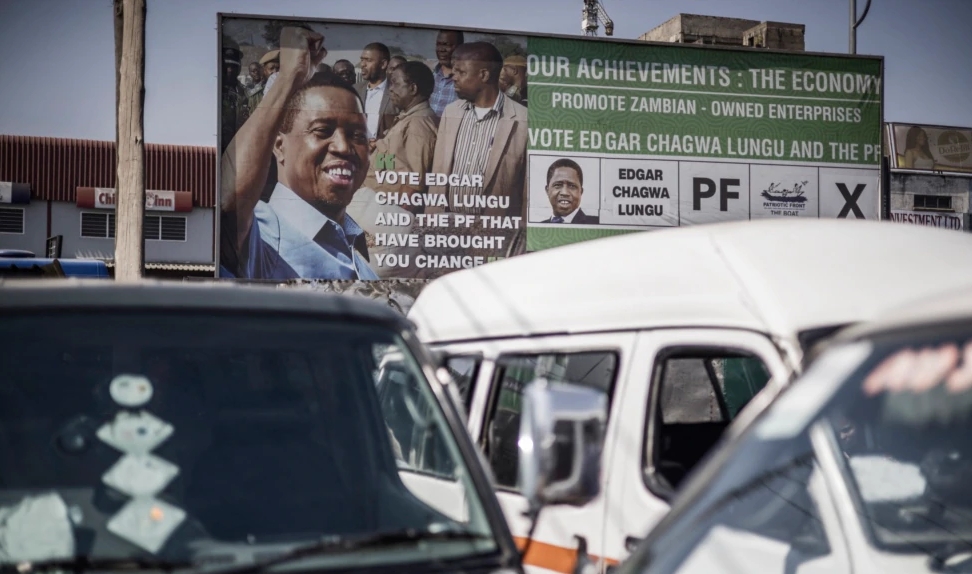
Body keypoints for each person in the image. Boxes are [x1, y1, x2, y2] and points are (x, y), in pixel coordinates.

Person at [219, 26, 377, 280]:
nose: (343, 147)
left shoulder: (363, 265)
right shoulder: (265, 234)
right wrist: (289, 76)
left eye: (357, 135)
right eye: (323, 130)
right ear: (279, 146)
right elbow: (228, 204)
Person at [426, 42, 528, 219]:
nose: (454, 77)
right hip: (446, 227)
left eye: (461, 72)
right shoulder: (451, 112)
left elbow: (527, 190)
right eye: (454, 71)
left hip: (495, 232)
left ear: (484, 75)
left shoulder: (522, 119)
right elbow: (438, 174)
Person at [362, 61, 439, 204]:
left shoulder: (418, 125)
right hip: (374, 203)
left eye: (395, 83)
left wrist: (395, 222)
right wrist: (377, 152)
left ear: (413, 88)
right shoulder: (407, 118)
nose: (390, 89)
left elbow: (412, 188)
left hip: (386, 212)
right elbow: (394, 162)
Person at [356, 42, 399, 147]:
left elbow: (400, 126)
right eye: (362, 60)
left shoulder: (397, 92)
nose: (362, 64)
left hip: (385, 152)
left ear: (383, 64)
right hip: (358, 151)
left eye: (368, 60)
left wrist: (378, 143)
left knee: (384, 165)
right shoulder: (355, 90)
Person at [541, 158, 598, 224]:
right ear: (547, 190)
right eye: (558, 185)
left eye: (572, 186)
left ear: (581, 192)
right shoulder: (537, 228)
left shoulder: (597, 223)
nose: (565, 192)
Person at [221, 37, 250, 152]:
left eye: (233, 66)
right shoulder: (213, 92)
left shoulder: (245, 92)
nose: (230, 70)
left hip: (239, 146)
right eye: (227, 66)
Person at [429, 30, 463, 117]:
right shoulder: (429, 75)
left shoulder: (465, 80)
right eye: (438, 44)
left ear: (460, 47)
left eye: (446, 45)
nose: (441, 49)